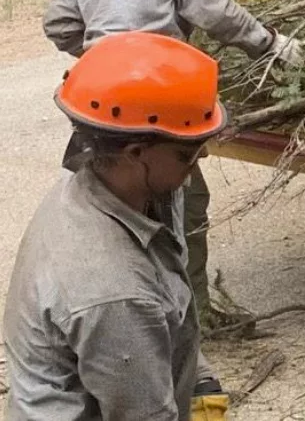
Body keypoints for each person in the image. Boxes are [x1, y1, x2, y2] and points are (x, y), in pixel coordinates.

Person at [40, 0, 302, 331]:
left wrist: (105, 54)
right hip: (151, 97)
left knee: (106, 201)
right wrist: (272, 45)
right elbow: (213, 11)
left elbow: (59, 22)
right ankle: (185, 322)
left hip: (99, 100)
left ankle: (103, 312)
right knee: (180, 202)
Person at [6, 32, 232, 420]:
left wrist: (200, 381)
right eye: (188, 152)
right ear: (135, 153)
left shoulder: (119, 190)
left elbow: (167, 298)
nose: (202, 156)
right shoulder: (113, 289)